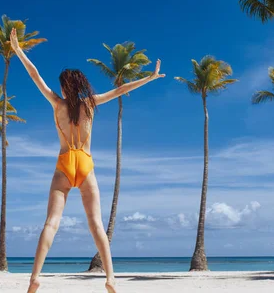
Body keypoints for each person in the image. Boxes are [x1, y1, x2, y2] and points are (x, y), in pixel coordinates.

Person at [9, 29, 165, 293]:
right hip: (86, 164)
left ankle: (35, 276)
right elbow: (122, 89)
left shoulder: (56, 103)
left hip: (64, 163)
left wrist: (18, 51)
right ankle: (111, 278)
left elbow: (35, 75)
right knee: (96, 225)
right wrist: (149, 78)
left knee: (51, 223)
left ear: (64, 87)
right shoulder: (91, 105)